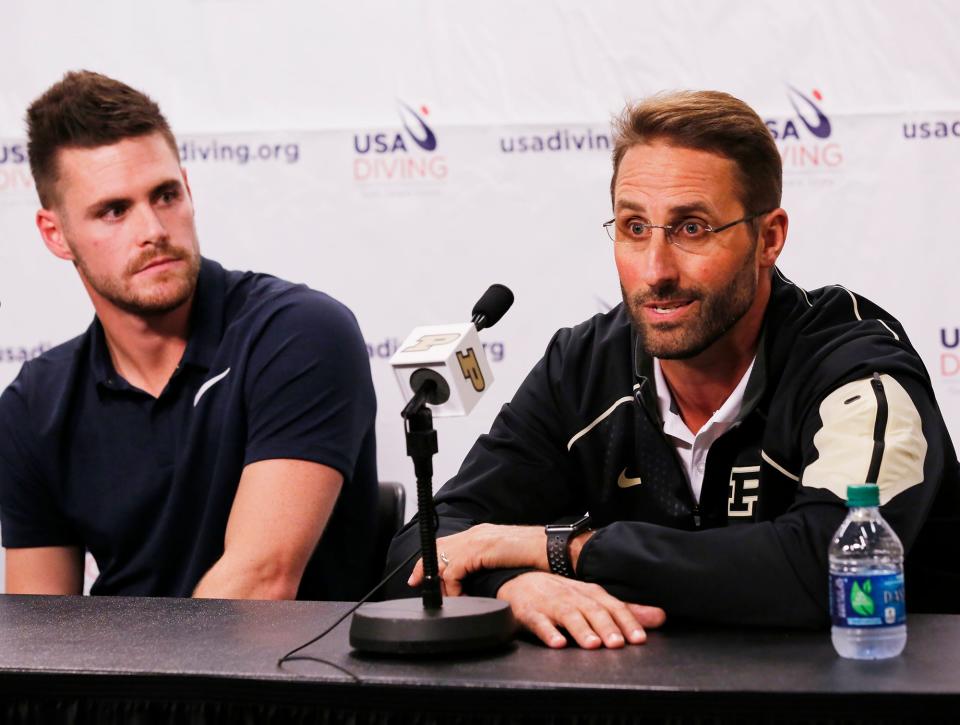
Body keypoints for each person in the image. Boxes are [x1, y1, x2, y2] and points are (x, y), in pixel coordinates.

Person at [385, 90, 960, 648]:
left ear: (769, 238)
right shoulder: (584, 366)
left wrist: (563, 549)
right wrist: (512, 584)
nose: (656, 270)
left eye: (692, 228)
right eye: (635, 228)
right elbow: (428, 545)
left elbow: (830, 568)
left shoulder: (854, 367)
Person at [0, 70, 378, 601]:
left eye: (165, 195)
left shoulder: (300, 334)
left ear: (188, 189)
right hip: (123, 680)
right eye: (114, 210)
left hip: (288, 679)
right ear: (55, 234)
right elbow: (41, 631)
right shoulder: (33, 405)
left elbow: (259, 585)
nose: (153, 229)